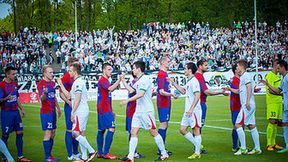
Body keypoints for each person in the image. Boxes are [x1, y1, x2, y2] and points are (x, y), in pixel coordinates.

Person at [119, 61, 169, 162]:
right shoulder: (139, 81)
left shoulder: (145, 79)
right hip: (138, 111)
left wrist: (127, 100)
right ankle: (131, 156)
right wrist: (123, 81)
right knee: (134, 132)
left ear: (138, 69)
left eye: (133, 68)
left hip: (146, 111)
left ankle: (164, 153)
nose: (132, 70)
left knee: (153, 132)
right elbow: (133, 91)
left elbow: (140, 94)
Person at [57, 63, 97, 162]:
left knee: (74, 133)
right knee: (81, 133)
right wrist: (61, 84)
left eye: (70, 71)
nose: (68, 72)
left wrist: (72, 112)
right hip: (80, 110)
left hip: (80, 110)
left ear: (75, 72)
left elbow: (78, 99)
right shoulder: (76, 82)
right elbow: (68, 95)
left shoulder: (79, 82)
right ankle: (84, 157)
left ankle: (91, 151)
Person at [225, 60, 261, 155]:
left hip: (247, 105)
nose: (236, 67)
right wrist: (230, 89)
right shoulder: (243, 77)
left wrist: (247, 101)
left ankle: (243, 148)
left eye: (237, 66)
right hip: (249, 104)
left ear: (241, 66)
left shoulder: (246, 76)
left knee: (237, 125)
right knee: (252, 126)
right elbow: (238, 91)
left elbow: (249, 88)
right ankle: (257, 148)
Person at [168, 62, 202, 159]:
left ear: (190, 70)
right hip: (188, 111)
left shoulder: (194, 81)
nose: (184, 71)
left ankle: (197, 152)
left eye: (185, 69)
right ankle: (197, 144)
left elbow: (197, 95)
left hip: (193, 110)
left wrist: (191, 109)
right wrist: (173, 83)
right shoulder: (189, 81)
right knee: (182, 130)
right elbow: (183, 91)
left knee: (196, 129)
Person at [0, 66, 31, 162]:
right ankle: (4, 157)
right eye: (13, 74)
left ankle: (20, 157)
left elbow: (16, 98)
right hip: (6, 113)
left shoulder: (14, 84)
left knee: (20, 133)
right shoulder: (1, 85)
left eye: (15, 74)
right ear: (7, 74)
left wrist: (22, 109)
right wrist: (5, 99)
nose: (15, 76)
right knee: (5, 135)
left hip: (16, 113)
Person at [194, 59, 226, 153]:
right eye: (205, 65)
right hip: (199, 104)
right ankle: (197, 148)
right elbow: (206, 92)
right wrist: (220, 92)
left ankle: (197, 146)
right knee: (198, 127)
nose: (207, 67)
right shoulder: (198, 77)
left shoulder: (199, 76)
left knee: (197, 127)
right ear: (200, 66)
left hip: (199, 103)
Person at [261, 59, 288, 153]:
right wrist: (281, 93)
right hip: (272, 102)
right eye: (278, 66)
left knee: (276, 123)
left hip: (279, 102)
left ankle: (274, 143)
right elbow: (269, 90)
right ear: (275, 65)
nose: (278, 68)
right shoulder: (270, 75)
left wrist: (281, 95)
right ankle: (269, 143)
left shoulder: (279, 76)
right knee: (272, 121)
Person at [97, 63, 123, 159]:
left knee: (101, 130)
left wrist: (111, 110)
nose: (110, 72)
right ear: (104, 70)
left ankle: (100, 152)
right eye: (109, 69)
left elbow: (107, 96)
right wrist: (119, 80)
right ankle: (106, 153)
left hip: (104, 108)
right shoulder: (102, 80)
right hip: (104, 109)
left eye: (111, 69)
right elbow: (110, 89)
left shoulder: (105, 80)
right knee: (111, 128)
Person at [37, 65, 61, 161]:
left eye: (52, 72)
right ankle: (47, 157)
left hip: (52, 112)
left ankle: (50, 155)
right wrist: (44, 93)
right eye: (50, 72)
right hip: (46, 112)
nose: (52, 74)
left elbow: (54, 97)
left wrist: (58, 108)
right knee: (48, 133)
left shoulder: (52, 83)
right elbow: (41, 100)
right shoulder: (41, 84)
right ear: (45, 73)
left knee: (53, 133)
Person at [118, 73, 144, 160]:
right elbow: (132, 90)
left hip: (133, 110)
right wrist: (123, 81)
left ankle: (133, 152)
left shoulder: (136, 83)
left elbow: (132, 91)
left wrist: (123, 80)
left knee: (133, 132)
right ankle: (132, 152)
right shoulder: (134, 82)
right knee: (132, 132)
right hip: (131, 110)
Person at [59, 57, 81, 160]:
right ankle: (70, 154)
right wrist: (69, 103)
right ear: (70, 64)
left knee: (76, 129)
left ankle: (76, 152)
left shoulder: (78, 76)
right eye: (74, 63)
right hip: (69, 107)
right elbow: (61, 93)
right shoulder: (66, 77)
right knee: (69, 130)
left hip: (77, 106)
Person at [156, 56, 177, 155]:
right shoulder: (161, 74)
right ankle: (161, 149)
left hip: (166, 102)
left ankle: (162, 147)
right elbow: (161, 91)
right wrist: (171, 94)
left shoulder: (164, 74)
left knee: (165, 124)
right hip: (163, 103)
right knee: (163, 124)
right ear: (163, 62)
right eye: (168, 61)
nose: (170, 63)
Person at [228, 64, 241, 152]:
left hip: (239, 105)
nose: (240, 69)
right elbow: (238, 91)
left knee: (240, 126)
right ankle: (235, 146)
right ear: (235, 70)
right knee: (237, 126)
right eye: (238, 68)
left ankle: (239, 145)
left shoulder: (238, 79)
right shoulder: (235, 80)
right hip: (236, 105)